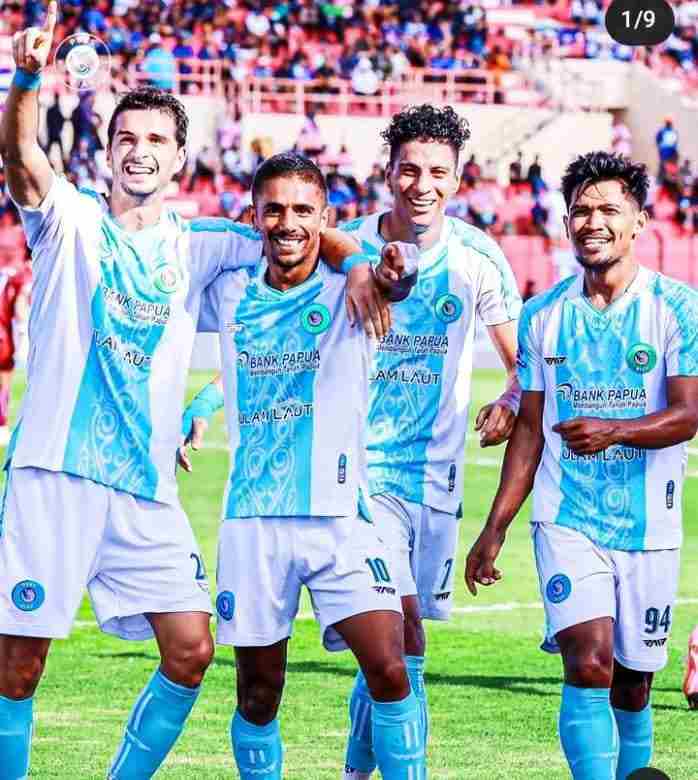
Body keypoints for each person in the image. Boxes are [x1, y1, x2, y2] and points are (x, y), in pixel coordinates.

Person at [0, 7, 385, 778]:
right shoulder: (69, 219)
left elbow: (299, 231)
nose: (139, 151)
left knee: (191, 648)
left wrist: (355, 265)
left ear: (180, 158)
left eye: (155, 140)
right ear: (106, 149)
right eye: (126, 138)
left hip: (144, 488)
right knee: (19, 666)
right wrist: (27, 80)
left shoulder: (202, 243)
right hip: (56, 475)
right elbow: (20, 159)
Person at [181, 152, 426, 779]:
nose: (287, 223)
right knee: (258, 696)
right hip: (254, 522)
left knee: (390, 668)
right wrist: (201, 405)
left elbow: (398, 279)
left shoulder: (354, 287)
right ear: (253, 217)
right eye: (273, 210)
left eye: (302, 210)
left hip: (342, 517)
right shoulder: (228, 290)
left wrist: (378, 266)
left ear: (324, 217)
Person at [466, 151, 698, 780]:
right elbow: (530, 431)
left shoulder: (677, 308)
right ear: (566, 221)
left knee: (633, 683)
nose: (593, 221)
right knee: (588, 662)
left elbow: (687, 415)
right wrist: (494, 529)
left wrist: (614, 430)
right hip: (567, 516)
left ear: (639, 221)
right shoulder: (543, 315)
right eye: (581, 210)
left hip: (650, 526)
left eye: (608, 210)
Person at [337, 104, 522, 778]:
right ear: (387, 173)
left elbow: (523, 362)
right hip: (359, 473)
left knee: (404, 647)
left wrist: (509, 399)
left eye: (437, 172)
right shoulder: (346, 248)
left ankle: (357, 771)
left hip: (436, 477)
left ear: (457, 178)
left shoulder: (478, 257)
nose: (422, 184)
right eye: (409, 170)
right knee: (396, 628)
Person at [0, 255, 31, 446]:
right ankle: (2, 424)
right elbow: (20, 306)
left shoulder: (12, 274)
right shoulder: (20, 274)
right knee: (5, 379)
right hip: (3, 335)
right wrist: (22, 329)